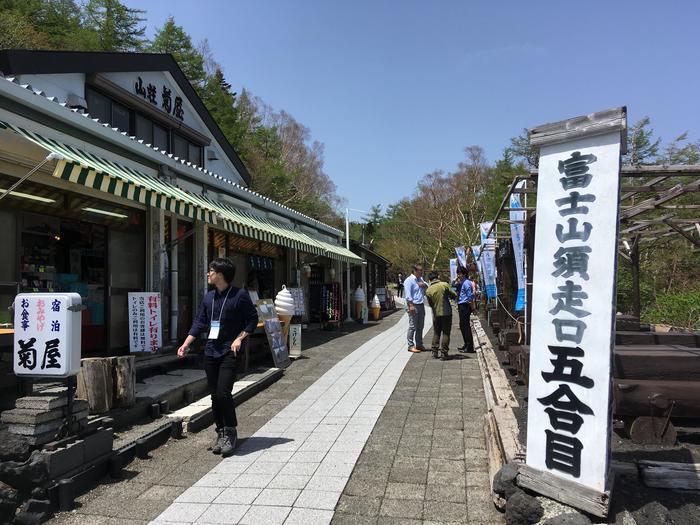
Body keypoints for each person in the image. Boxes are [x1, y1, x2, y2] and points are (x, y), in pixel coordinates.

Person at [177, 258, 258, 457]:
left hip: (230, 351)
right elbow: (199, 322)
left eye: (211, 271)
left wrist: (239, 338)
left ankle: (230, 432)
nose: (208, 274)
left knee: (223, 393)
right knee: (214, 395)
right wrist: (186, 344)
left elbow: (252, 319)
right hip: (211, 350)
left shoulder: (239, 295)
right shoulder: (208, 298)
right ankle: (220, 432)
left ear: (220, 275)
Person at [425, 271, 457, 360]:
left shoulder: (428, 290)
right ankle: (444, 352)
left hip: (436, 313)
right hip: (446, 313)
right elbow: (454, 295)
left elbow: (430, 304)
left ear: (429, 279)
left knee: (436, 333)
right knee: (446, 333)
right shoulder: (444, 285)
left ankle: (434, 352)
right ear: (438, 277)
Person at [404, 263, 428, 353]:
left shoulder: (420, 279)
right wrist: (410, 305)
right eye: (420, 270)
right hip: (413, 304)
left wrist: (423, 285)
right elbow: (408, 294)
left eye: (422, 270)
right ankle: (410, 345)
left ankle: (419, 344)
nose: (421, 272)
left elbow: (427, 285)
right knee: (413, 326)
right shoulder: (409, 280)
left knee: (420, 326)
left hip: (421, 304)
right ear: (414, 271)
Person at [456, 266, 476, 353]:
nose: (458, 275)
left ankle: (470, 346)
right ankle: (466, 344)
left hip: (465, 305)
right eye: (458, 273)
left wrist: (473, 308)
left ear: (464, 274)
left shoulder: (467, 283)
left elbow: (470, 297)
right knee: (462, 326)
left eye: (460, 273)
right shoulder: (462, 282)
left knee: (466, 326)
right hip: (461, 305)